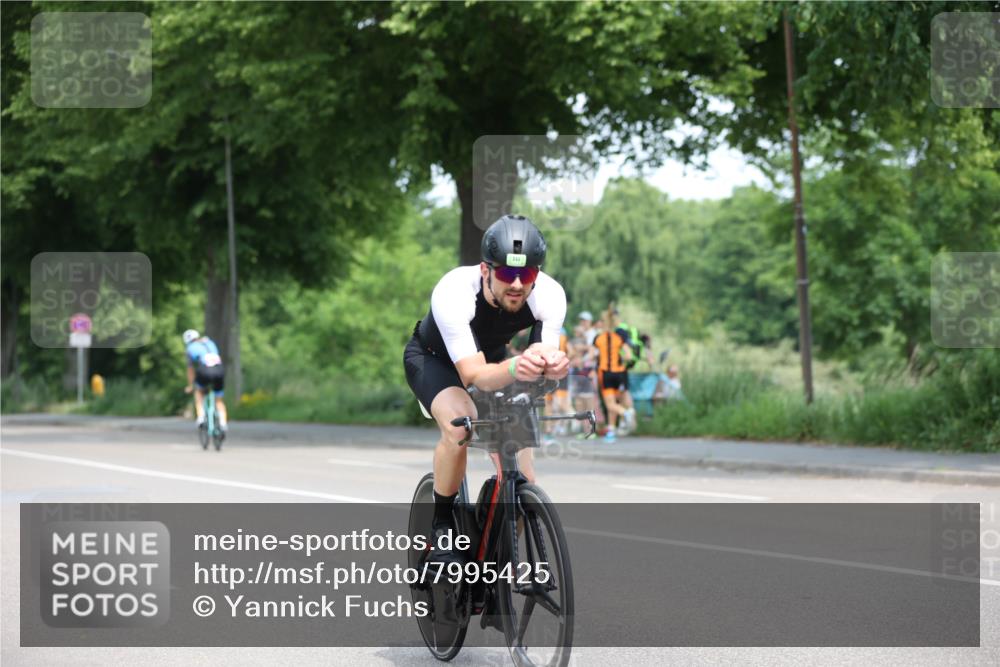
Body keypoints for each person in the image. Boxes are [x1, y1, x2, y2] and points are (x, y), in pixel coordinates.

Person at [403, 215, 568, 563]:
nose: (518, 285)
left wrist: (551, 367)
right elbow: (475, 375)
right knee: (460, 422)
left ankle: (495, 560)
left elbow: (541, 355)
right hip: (436, 362)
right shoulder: (454, 291)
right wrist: (514, 366)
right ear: (485, 270)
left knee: (524, 475)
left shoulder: (550, 295)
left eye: (528, 275)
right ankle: (443, 526)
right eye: (507, 274)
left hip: (492, 362)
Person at [593, 309, 635, 441]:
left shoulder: (599, 338)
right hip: (620, 373)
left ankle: (626, 413)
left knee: (610, 404)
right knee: (614, 402)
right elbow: (628, 356)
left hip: (605, 373)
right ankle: (611, 430)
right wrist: (619, 359)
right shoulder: (619, 337)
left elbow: (593, 353)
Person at [183, 329, 228, 436]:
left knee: (198, 392)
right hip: (219, 370)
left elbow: (190, 370)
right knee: (219, 401)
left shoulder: (190, 348)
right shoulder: (210, 342)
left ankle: (201, 417)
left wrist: (190, 385)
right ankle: (223, 423)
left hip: (205, 371)